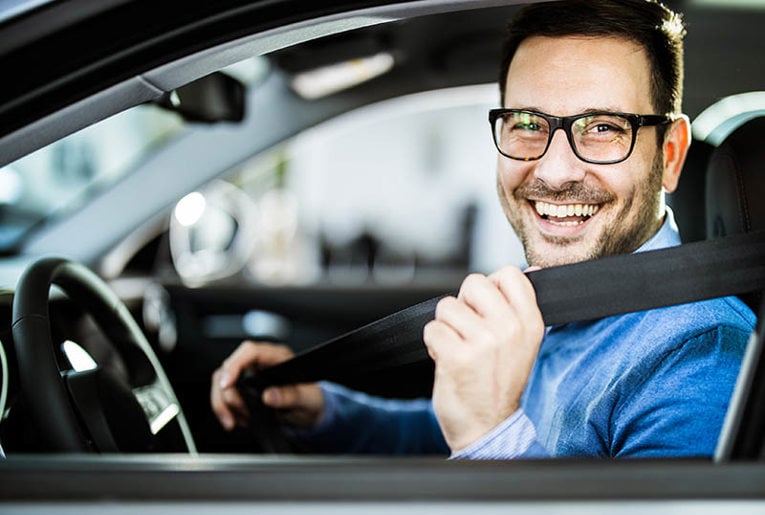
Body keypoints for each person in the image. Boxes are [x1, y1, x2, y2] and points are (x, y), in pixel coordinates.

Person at [210, 0, 756, 458]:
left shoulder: (699, 355)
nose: (555, 170)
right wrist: (325, 410)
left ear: (670, 154)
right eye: (527, 124)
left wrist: (491, 434)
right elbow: (447, 429)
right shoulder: (567, 296)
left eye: (603, 128)